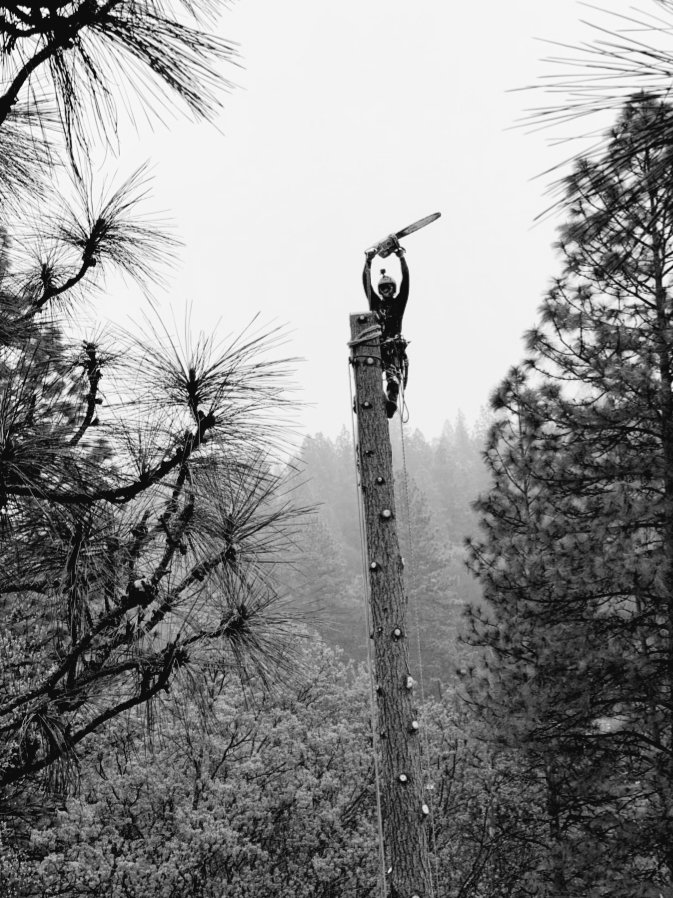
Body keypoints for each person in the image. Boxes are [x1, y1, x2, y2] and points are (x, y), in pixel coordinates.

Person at [362, 240, 409, 418]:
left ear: (393, 289)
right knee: (367, 373)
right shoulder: (375, 304)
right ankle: (363, 400)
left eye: (389, 287)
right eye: (382, 288)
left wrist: (401, 258)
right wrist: (368, 263)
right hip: (377, 346)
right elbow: (366, 284)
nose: (385, 290)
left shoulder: (398, 304)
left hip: (393, 348)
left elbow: (406, 283)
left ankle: (391, 402)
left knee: (392, 377)